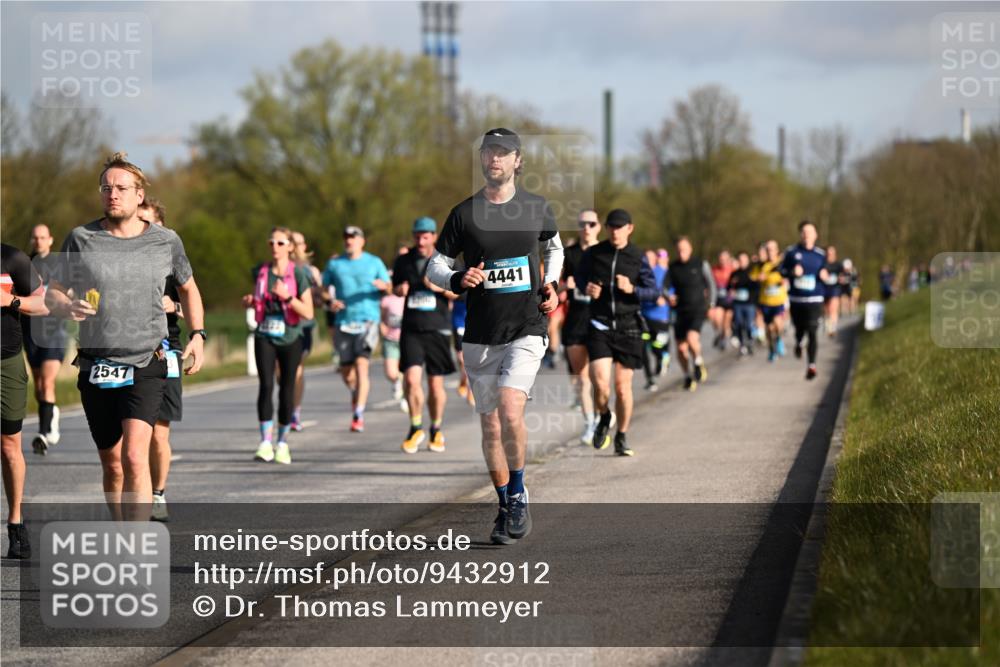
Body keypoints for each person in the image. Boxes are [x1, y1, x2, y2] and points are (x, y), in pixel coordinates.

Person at [46, 152, 206, 521]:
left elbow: (189, 289)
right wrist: (65, 306)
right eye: (106, 188)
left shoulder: (166, 241)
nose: (112, 194)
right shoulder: (81, 239)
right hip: (96, 364)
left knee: (136, 456)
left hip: (146, 361)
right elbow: (53, 291)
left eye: (121, 188)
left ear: (139, 195)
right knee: (113, 463)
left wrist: (197, 334)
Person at [427, 128, 562, 544]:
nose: (495, 160)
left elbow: (554, 248)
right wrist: (455, 277)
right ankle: (504, 502)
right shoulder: (464, 213)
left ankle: (519, 493)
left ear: (518, 160)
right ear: (482, 159)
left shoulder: (537, 207)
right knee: (489, 428)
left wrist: (552, 285)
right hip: (481, 333)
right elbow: (433, 265)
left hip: (527, 327)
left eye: (503, 153)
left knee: (509, 409)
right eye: (489, 153)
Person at [576, 209, 657, 456]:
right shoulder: (595, 253)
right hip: (600, 324)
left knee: (622, 388)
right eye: (611, 226)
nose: (615, 231)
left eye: (620, 227)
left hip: (629, 326)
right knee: (600, 383)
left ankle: (621, 435)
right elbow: (580, 278)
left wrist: (632, 288)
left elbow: (653, 292)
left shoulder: (637, 256)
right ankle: (603, 416)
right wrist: (587, 287)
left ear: (629, 229)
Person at [244, 227, 314, 464]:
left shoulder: (300, 274)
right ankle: (265, 442)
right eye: (271, 242)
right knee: (265, 385)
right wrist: (252, 301)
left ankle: (282, 443)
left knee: (286, 388)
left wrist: (287, 297)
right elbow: (260, 299)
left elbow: (308, 311)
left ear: (290, 247)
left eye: (281, 243)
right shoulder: (261, 271)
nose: (275, 247)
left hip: (291, 338)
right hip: (265, 335)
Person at [394, 217, 457, 454]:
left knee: (435, 383)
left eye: (426, 236)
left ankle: (437, 428)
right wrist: (399, 290)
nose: (421, 241)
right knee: (410, 379)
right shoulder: (403, 260)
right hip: (411, 327)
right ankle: (415, 426)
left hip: (437, 327)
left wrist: (439, 287)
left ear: (434, 237)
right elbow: (395, 287)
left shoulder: (445, 260)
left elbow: (459, 290)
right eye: (417, 236)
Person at [137, 198, 182, 521]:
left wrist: (173, 307)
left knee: (159, 432)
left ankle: (157, 494)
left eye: (148, 223)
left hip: (167, 348)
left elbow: (189, 303)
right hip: (129, 350)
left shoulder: (173, 260)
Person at [2, 243, 47, 558]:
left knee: (9, 446)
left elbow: (42, 304)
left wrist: (10, 300)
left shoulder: (12, 258)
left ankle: (16, 522)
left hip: (6, 362)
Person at [322, 226, 391, 432]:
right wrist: (330, 301)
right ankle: (355, 392)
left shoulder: (374, 262)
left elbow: (390, 287)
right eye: (346, 238)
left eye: (353, 237)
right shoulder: (335, 264)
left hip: (368, 320)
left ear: (362, 241)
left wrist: (383, 287)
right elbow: (323, 291)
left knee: (362, 365)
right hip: (344, 321)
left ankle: (358, 414)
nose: (349, 241)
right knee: (347, 373)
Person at [23, 224, 68, 455]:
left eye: (43, 237)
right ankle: (51, 414)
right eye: (35, 237)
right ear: (32, 240)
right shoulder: (24, 264)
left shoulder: (59, 265)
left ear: (50, 240)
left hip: (54, 332)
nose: (39, 241)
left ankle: (43, 434)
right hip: (30, 332)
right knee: (39, 386)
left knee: (48, 383)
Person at [560, 209, 600, 444]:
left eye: (591, 224)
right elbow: (553, 287)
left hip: (599, 319)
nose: (587, 227)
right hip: (575, 319)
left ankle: (603, 413)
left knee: (599, 378)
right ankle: (590, 423)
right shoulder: (569, 254)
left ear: (598, 227)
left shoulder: (605, 252)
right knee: (582, 378)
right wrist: (566, 285)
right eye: (583, 224)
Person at [664, 237, 716, 391]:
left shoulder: (700, 264)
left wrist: (711, 304)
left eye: (684, 249)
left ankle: (698, 363)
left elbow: (711, 284)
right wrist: (668, 296)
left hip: (698, 309)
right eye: (679, 250)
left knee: (692, 338)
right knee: (681, 348)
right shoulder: (673, 267)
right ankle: (687, 375)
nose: (681, 253)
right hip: (680, 311)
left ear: (690, 249)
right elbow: (664, 287)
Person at [781, 221, 829, 381]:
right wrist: (792, 272)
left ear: (816, 235)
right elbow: (781, 270)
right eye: (804, 232)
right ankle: (799, 342)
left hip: (815, 299)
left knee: (813, 330)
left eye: (810, 232)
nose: (807, 234)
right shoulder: (791, 252)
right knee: (800, 328)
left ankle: (812, 365)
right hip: (797, 299)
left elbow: (830, 271)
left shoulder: (821, 255)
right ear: (800, 235)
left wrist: (825, 274)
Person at [289, 231, 324, 432]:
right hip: (281, 327)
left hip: (303, 328)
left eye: (300, 243)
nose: (296, 246)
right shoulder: (277, 269)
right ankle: (288, 399)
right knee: (283, 372)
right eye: (292, 242)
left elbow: (319, 298)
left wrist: (325, 299)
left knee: (297, 368)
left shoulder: (312, 271)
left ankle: (295, 411)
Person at [640, 248, 672, 391]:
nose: (648, 260)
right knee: (642, 346)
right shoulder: (639, 273)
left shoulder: (662, 272)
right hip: (643, 315)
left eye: (651, 257)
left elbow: (671, 289)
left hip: (660, 315)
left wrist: (665, 297)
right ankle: (650, 379)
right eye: (645, 258)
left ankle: (662, 356)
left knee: (656, 345)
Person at [757, 240, 788, 362]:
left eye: (771, 249)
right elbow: (753, 277)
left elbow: (788, 276)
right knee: (769, 328)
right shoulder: (761, 265)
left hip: (779, 300)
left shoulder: (782, 264)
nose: (769, 252)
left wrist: (784, 281)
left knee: (778, 323)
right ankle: (771, 349)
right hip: (765, 301)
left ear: (776, 250)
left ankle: (779, 339)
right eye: (767, 249)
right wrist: (759, 279)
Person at [380, 273, 406, 412]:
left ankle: (405, 397)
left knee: (409, 372)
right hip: (390, 339)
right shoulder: (386, 300)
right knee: (391, 372)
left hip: (406, 340)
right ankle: (397, 382)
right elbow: (382, 318)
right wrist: (383, 328)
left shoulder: (406, 299)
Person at [728, 251, 756, 356]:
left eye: (744, 260)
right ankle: (742, 345)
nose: (742, 262)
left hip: (749, 303)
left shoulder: (752, 272)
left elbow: (756, 286)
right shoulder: (734, 274)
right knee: (739, 323)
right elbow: (729, 287)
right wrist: (731, 289)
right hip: (738, 303)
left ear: (747, 260)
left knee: (748, 324)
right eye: (740, 260)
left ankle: (750, 341)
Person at [709, 250, 734, 350]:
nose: (723, 261)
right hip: (719, 299)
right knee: (716, 317)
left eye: (725, 259)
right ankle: (720, 334)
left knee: (727, 318)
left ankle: (724, 336)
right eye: (721, 259)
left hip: (731, 301)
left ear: (728, 259)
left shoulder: (733, 270)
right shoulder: (714, 269)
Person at [822, 244, 843, 337]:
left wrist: (840, 278)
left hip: (835, 288)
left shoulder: (838, 265)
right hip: (824, 288)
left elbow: (843, 276)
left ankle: (833, 327)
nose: (830, 254)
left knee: (833, 308)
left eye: (832, 252)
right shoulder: (822, 264)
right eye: (828, 252)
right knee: (826, 309)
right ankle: (828, 324)